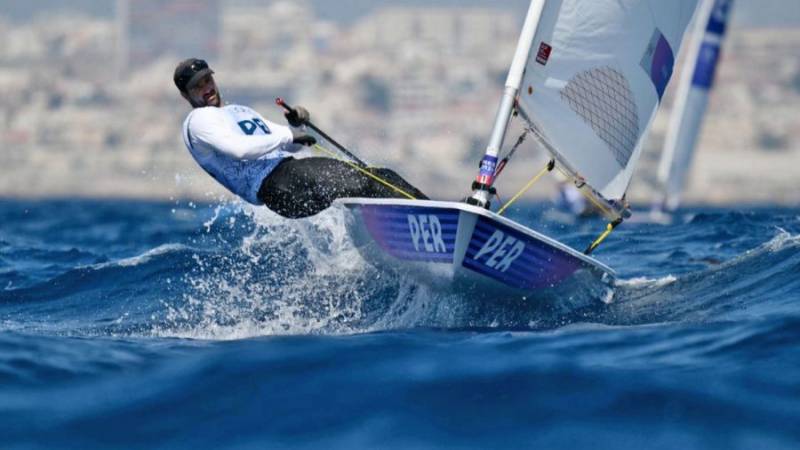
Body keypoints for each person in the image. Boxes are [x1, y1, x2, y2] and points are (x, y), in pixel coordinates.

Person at [174, 58, 427, 218]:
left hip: (288, 183)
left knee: (380, 176)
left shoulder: (237, 112)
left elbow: (282, 140)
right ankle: (432, 216)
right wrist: (288, 134)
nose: (207, 88)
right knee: (367, 181)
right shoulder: (199, 120)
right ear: (186, 95)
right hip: (278, 182)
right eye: (198, 86)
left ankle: (422, 216)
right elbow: (240, 150)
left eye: (208, 80)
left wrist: (294, 122)